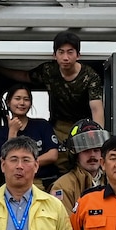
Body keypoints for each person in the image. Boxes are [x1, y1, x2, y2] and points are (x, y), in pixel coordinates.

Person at [7, 32, 104, 172]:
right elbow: (25, 76)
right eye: (61, 52)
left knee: (86, 163)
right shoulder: (48, 70)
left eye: (70, 52)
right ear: (55, 55)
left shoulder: (90, 76)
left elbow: (96, 109)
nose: (65, 57)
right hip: (59, 125)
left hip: (84, 126)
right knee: (61, 163)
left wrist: (97, 138)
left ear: (78, 55)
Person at [0, 84, 62, 179]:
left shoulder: (42, 125)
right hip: (16, 180)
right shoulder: (1, 132)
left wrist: (27, 164)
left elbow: (52, 155)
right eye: (17, 98)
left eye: (26, 99)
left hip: (44, 179)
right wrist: (12, 132)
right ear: (8, 102)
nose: (22, 103)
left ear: (31, 104)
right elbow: (5, 161)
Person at [50, 123, 107, 212]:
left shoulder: (113, 181)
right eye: (86, 150)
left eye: (96, 150)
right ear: (75, 155)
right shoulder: (62, 186)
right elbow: (64, 222)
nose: (92, 155)